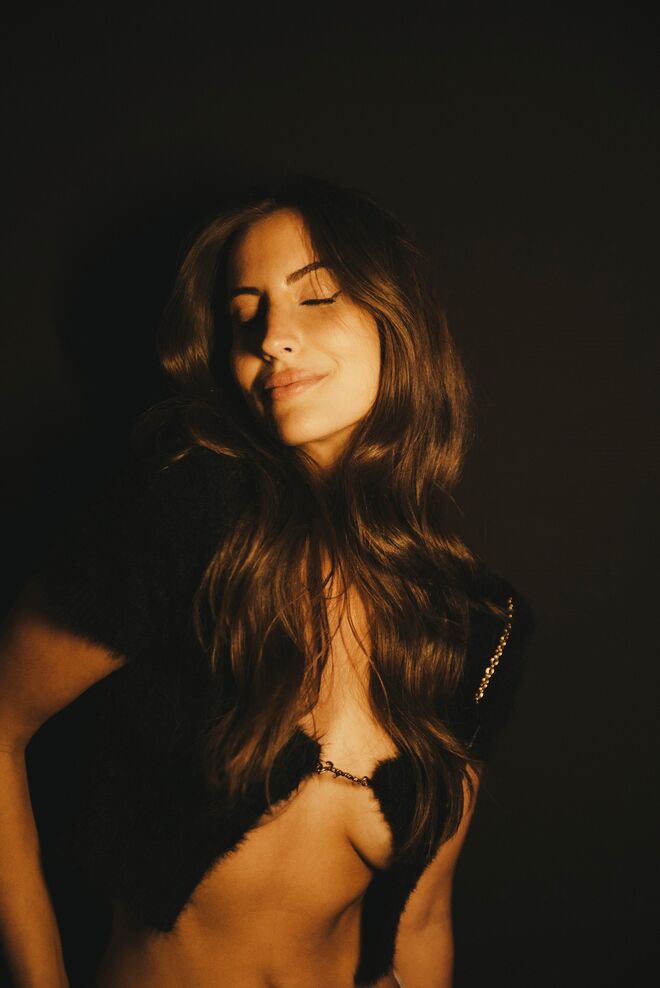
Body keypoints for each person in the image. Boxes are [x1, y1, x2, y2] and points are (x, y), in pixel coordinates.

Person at [0, 175, 535, 988]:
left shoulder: (478, 624)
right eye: (244, 313)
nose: (273, 337)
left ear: (395, 319)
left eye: (316, 296)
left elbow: (422, 918)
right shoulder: (189, 515)